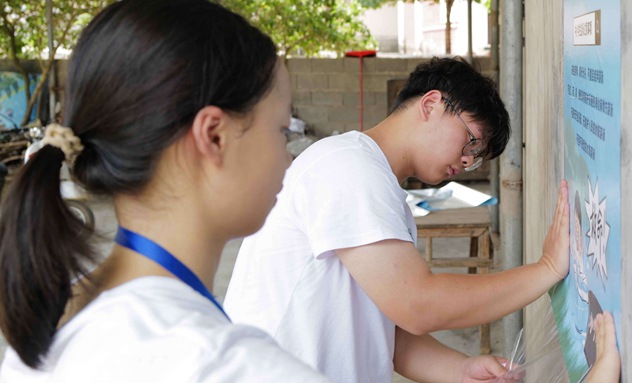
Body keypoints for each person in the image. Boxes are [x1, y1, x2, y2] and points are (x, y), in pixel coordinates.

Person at [0, 0, 330, 382]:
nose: (287, 159)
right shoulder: (229, 366)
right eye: (281, 131)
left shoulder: (51, 323)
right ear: (214, 136)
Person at [224, 57, 574, 383]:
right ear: (431, 104)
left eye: (476, 158)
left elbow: (385, 333)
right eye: (471, 143)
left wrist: (461, 369)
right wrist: (545, 268)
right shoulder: (348, 169)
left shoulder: (377, 186)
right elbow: (417, 304)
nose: (466, 162)